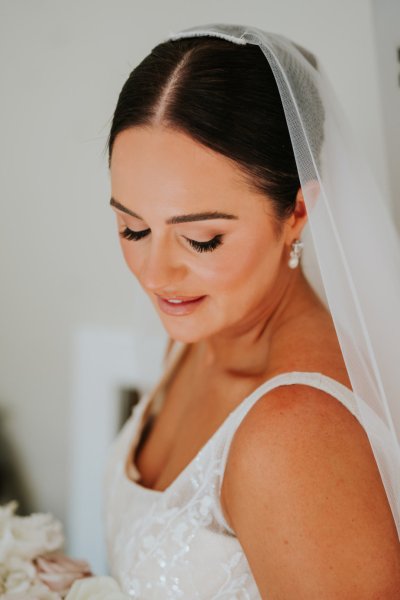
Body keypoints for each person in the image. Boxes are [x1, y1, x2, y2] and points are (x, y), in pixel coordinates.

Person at [103, 23, 400, 598]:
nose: (155, 275)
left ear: (297, 213)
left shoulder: (297, 436)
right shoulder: (191, 335)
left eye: (203, 240)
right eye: (132, 227)